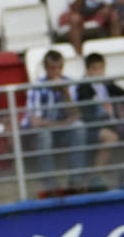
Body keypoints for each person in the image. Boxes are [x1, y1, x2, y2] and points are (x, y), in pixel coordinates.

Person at [75, 51, 124, 185]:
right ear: (88, 70)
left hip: (115, 124)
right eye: (95, 69)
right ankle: (96, 177)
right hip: (96, 127)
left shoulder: (108, 84)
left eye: (101, 68)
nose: (99, 72)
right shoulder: (83, 88)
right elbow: (86, 114)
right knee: (111, 138)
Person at [21, 49, 86, 193]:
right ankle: (50, 184)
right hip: (40, 132)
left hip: (61, 129)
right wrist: (62, 124)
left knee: (79, 128)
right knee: (44, 134)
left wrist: (65, 93)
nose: (57, 72)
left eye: (60, 68)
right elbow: (36, 122)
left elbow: (76, 115)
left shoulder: (70, 84)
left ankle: (75, 181)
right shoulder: (37, 87)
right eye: (52, 68)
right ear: (46, 69)